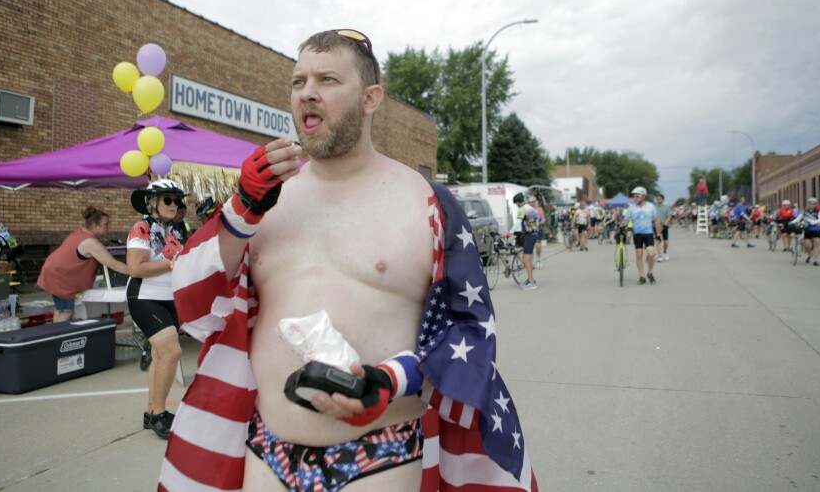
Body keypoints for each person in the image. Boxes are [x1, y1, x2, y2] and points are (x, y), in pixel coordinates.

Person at [161, 30, 535, 491]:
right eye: (298, 82)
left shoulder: (426, 204)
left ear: (370, 97)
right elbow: (193, 300)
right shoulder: (264, 203)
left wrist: (389, 380)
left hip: (380, 454)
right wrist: (239, 210)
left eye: (328, 79)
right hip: (267, 447)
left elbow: (468, 333)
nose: (308, 92)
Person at [126, 179, 187, 440]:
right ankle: (160, 414)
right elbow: (136, 268)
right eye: (168, 199)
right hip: (145, 296)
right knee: (171, 352)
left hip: (167, 296)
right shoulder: (142, 228)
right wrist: (173, 264)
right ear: (153, 202)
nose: (174, 205)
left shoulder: (176, 229)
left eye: (177, 200)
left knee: (160, 355)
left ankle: (151, 412)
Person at [37, 206, 129, 322]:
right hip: (60, 278)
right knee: (66, 312)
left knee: (61, 309)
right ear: (95, 225)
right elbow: (114, 264)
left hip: (55, 272)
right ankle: (58, 338)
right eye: (106, 224)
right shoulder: (90, 242)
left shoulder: (80, 232)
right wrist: (136, 271)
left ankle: (57, 336)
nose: (108, 227)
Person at [624, 186, 662, 285]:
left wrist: (658, 234)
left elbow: (656, 220)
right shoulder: (631, 207)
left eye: (637, 196)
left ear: (643, 196)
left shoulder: (651, 206)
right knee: (639, 255)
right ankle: (641, 276)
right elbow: (625, 220)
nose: (635, 198)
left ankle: (650, 272)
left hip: (648, 233)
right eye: (634, 196)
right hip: (637, 234)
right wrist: (620, 226)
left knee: (650, 254)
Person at [514, 192, 540, 289]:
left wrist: (509, 233)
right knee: (527, 258)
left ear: (518, 202)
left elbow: (517, 223)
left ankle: (531, 282)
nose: (516, 205)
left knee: (526, 259)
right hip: (534, 234)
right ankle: (530, 279)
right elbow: (537, 220)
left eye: (516, 203)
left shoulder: (522, 209)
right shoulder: (532, 208)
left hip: (529, 235)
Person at [792, 198, 820, 266]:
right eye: (810, 203)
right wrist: (793, 222)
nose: (811, 205)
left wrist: (814, 222)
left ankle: (815, 260)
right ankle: (810, 254)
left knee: (816, 244)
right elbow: (799, 218)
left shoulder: (818, 211)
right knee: (807, 245)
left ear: (815, 204)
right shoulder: (804, 211)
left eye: (813, 203)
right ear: (808, 204)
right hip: (807, 229)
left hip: (816, 229)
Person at [528, 195, 545, 269]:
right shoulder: (527, 210)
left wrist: (540, 223)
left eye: (532, 202)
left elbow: (543, 219)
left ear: (535, 202)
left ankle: (538, 259)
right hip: (530, 230)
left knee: (537, 246)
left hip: (538, 229)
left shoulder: (539, 210)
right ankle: (532, 263)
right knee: (531, 247)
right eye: (530, 202)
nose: (531, 203)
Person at [654, 194, 672, 261]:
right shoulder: (654, 207)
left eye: (659, 199)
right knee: (658, 240)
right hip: (656, 226)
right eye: (657, 199)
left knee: (666, 242)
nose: (658, 200)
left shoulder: (667, 207)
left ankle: (665, 251)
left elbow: (669, 216)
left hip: (665, 225)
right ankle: (659, 255)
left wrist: (664, 224)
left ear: (663, 199)